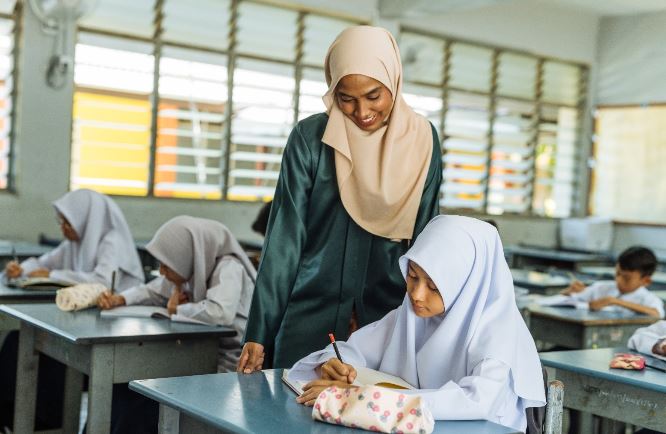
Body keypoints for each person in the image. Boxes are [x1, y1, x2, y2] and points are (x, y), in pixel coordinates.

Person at [238, 25, 442, 372]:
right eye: (346, 98)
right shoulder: (310, 138)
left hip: (388, 317)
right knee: (291, 398)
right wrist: (259, 331)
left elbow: (427, 242)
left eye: (374, 95)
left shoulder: (422, 141)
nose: (361, 111)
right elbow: (285, 240)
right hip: (309, 312)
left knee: (375, 402)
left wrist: (425, 327)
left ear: (393, 81)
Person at [288, 216, 546, 432]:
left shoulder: (498, 334)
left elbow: (476, 402)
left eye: (434, 286)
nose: (417, 295)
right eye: (412, 276)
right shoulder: (411, 315)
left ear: (466, 285)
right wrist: (334, 365)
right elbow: (357, 349)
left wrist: (361, 397)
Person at [97, 216, 256, 434]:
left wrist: (177, 310)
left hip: (227, 365)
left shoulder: (228, 267)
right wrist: (120, 299)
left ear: (185, 256)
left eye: (166, 265)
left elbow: (220, 312)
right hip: (195, 354)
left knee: (141, 403)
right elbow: (153, 290)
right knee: (125, 389)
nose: (162, 271)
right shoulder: (192, 268)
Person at [1, 189, 144, 431]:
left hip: (112, 333)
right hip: (82, 326)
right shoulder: (74, 244)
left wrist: (53, 274)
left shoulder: (112, 241)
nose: (63, 229)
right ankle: (9, 415)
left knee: (52, 358)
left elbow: (102, 282)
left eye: (68, 222)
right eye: (61, 222)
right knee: (18, 340)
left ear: (85, 218)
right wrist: (20, 269)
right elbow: (44, 263)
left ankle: (44, 423)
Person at [562, 246, 664, 317]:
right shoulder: (601, 287)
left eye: (626, 278)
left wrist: (615, 301)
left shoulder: (647, 298)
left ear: (646, 281)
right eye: (617, 274)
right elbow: (565, 300)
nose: (619, 280)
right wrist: (569, 291)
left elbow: (656, 314)